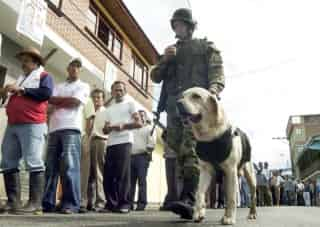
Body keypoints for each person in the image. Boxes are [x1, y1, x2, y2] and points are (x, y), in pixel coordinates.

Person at [150, 8, 225, 219]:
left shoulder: (205, 46)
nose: (178, 28)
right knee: (176, 152)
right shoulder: (170, 51)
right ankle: (183, 198)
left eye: (182, 24)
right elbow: (155, 77)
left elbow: (217, 72)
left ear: (190, 26)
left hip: (196, 109)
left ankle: (190, 199)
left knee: (191, 149)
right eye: (176, 25)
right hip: (174, 109)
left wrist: (213, 94)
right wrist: (165, 60)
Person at [0, 47, 53, 214]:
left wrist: (21, 90)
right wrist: (6, 92)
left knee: (33, 160)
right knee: (8, 161)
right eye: (22, 60)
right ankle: (13, 202)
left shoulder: (45, 76)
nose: (22, 64)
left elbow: (46, 93)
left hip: (33, 124)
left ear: (35, 62)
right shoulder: (22, 78)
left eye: (26, 61)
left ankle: (35, 203)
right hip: (13, 124)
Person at [42, 58, 90, 214]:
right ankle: (47, 203)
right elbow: (49, 103)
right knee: (50, 167)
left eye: (78, 66)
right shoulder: (58, 86)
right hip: (54, 129)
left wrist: (57, 101)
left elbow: (75, 102)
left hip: (71, 128)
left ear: (80, 70)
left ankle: (71, 203)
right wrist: (61, 101)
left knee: (70, 166)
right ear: (67, 68)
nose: (75, 68)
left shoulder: (83, 86)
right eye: (72, 65)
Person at [100, 81, 142, 213]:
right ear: (112, 92)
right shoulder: (109, 109)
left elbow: (139, 122)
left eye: (121, 90)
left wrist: (123, 126)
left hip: (124, 142)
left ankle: (124, 204)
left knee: (122, 175)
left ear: (125, 92)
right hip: (111, 143)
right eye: (116, 90)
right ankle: (111, 204)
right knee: (108, 175)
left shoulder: (130, 104)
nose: (118, 92)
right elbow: (105, 129)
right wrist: (107, 129)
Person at [129, 110, 156, 211]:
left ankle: (141, 204)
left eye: (143, 115)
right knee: (130, 182)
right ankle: (129, 203)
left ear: (146, 117)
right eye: (139, 115)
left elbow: (152, 144)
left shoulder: (149, 129)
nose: (141, 117)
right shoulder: (132, 130)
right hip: (131, 157)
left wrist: (147, 154)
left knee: (141, 181)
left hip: (142, 157)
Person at [89, 88, 108, 211]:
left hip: (100, 140)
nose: (96, 99)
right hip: (89, 141)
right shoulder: (90, 112)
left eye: (99, 97)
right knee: (89, 174)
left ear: (103, 100)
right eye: (94, 97)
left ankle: (101, 202)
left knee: (98, 172)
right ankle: (89, 201)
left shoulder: (105, 112)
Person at [159, 130, 183, 211]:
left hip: (178, 157)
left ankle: (178, 203)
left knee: (177, 181)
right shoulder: (167, 130)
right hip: (168, 157)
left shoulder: (181, 127)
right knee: (170, 182)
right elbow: (163, 138)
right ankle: (170, 202)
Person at [79, 98, 95, 213]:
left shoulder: (86, 100)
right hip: (67, 135)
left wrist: (86, 136)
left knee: (84, 173)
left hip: (82, 136)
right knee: (68, 171)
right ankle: (67, 199)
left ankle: (82, 202)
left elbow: (90, 119)